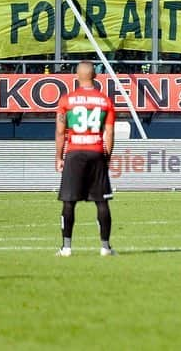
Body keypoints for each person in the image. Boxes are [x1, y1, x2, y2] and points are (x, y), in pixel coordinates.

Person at [55, 61, 117, 257]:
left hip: (74, 153)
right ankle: (105, 247)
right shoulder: (105, 101)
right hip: (96, 151)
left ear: (77, 76)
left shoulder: (66, 100)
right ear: (95, 76)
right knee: (101, 201)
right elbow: (109, 132)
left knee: (68, 201)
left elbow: (59, 131)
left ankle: (66, 248)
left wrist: (59, 156)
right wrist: (107, 156)